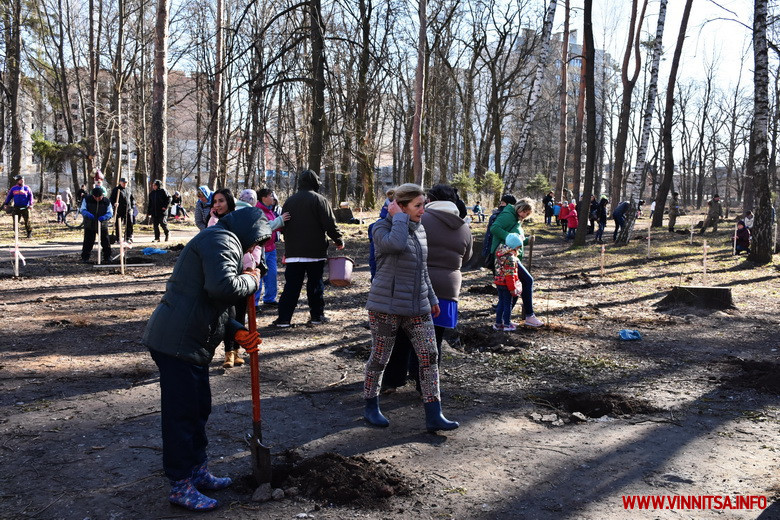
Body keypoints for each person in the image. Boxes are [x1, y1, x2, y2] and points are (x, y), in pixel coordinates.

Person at [143, 207, 269, 511]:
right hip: (176, 343)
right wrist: (251, 279)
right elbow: (223, 288)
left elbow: (215, 304)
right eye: (256, 244)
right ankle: (180, 485)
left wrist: (237, 332)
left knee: (199, 409)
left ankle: (197, 471)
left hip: (191, 344)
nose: (255, 251)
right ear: (249, 233)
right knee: (182, 417)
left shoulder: (224, 241)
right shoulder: (221, 241)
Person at [363, 183, 458, 432]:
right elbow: (395, 245)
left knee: (429, 356)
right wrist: (397, 219)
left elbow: (422, 268)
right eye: (417, 205)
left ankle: (434, 413)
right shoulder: (380, 228)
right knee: (380, 357)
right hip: (386, 306)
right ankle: (371, 405)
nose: (423, 210)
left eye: (424, 204)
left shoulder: (421, 230)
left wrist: (433, 299)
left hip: (418, 306)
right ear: (401, 207)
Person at [386, 184, 474, 392]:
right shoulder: (464, 226)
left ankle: (392, 380)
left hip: (417, 285)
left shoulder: (421, 218)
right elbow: (468, 257)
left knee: (403, 336)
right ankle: (424, 385)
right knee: (434, 339)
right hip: (449, 289)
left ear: (430, 199)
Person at [273, 170, 344, 328]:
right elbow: (329, 223)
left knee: (291, 286)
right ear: (315, 182)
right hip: (315, 252)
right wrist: (338, 240)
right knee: (315, 285)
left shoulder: (290, 201)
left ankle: (284, 319)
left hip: (294, 253)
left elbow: (283, 225)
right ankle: (317, 317)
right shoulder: (319, 200)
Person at [489, 198, 543, 327]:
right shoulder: (508, 215)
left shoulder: (516, 218)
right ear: (519, 207)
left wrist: (526, 240)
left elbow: (516, 239)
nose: (525, 215)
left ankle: (503, 319)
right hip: (505, 257)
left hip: (511, 255)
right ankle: (529, 315)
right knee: (527, 281)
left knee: (515, 286)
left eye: (527, 213)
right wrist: (509, 237)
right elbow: (495, 228)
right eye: (524, 211)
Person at [254, 188, 290, 311]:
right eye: (270, 196)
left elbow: (276, 227)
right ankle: (254, 303)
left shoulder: (271, 210)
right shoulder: (258, 211)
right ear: (263, 198)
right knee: (258, 274)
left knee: (272, 275)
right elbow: (265, 228)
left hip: (271, 248)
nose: (273, 198)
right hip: (260, 249)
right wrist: (280, 220)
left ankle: (269, 299)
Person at [493, 234, 522, 331]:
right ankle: (507, 324)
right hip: (506, 284)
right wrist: (512, 288)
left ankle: (498, 323)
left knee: (501, 302)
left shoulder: (499, 254)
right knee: (507, 304)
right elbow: (510, 275)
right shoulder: (510, 258)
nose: (518, 250)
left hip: (498, 282)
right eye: (518, 247)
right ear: (514, 247)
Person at [481, 194, 516, 270]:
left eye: (502, 203)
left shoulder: (503, 214)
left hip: (497, 247)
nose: (500, 205)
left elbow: (493, 230)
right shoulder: (511, 214)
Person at [80, 187, 113, 263]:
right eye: (96, 197)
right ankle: (85, 257)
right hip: (90, 224)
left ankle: (107, 257)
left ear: (102, 195)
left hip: (102, 224)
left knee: (105, 241)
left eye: (100, 197)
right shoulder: (87, 199)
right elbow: (82, 209)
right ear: (93, 196)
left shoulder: (106, 201)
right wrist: (87, 214)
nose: (98, 199)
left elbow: (110, 212)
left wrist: (105, 217)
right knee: (88, 241)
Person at [109, 177, 135, 243]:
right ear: (120, 182)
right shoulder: (116, 190)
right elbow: (111, 199)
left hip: (128, 209)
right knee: (118, 224)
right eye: (123, 183)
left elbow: (132, 199)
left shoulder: (128, 189)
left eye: (126, 183)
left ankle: (128, 237)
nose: (124, 184)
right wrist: (114, 203)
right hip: (119, 210)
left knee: (129, 223)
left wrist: (132, 206)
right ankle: (118, 238)